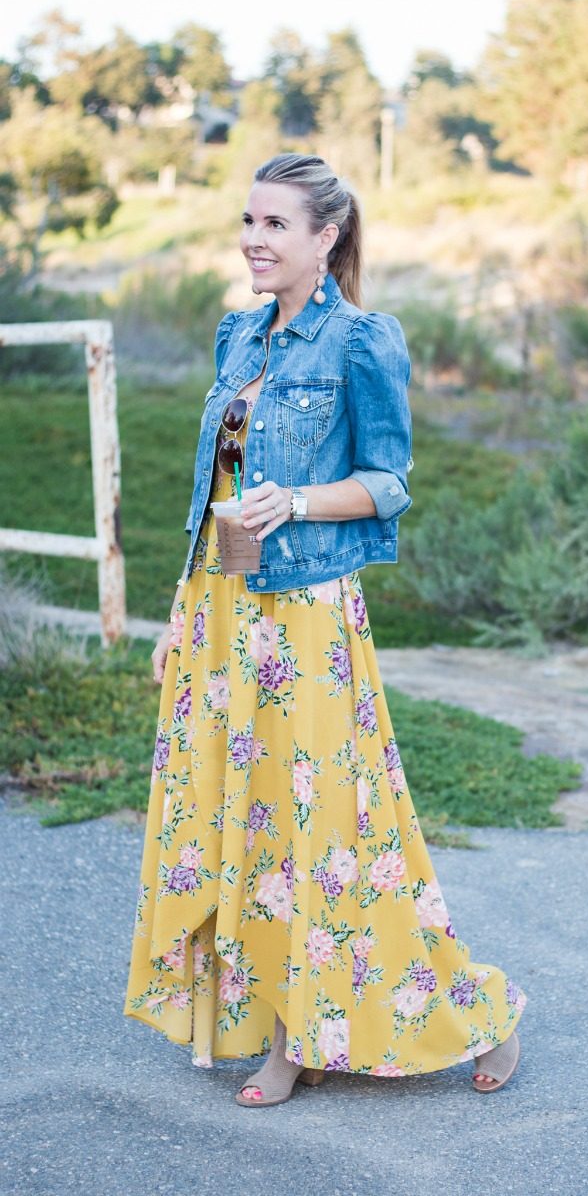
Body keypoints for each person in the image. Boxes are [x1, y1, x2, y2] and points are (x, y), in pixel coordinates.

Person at [124, 153, 525, 1105]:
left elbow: (390, 484)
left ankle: (468, 1013)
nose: (254, 241)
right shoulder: (238, 337)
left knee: (327, 837)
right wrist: (182, 615)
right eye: (249, 222)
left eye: (275, 225)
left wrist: (295, 502)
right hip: (225, 616)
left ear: (324, 237)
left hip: (305, 621)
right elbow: (211, 499)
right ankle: (275, 1019)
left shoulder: (361, 343)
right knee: (242, 833)